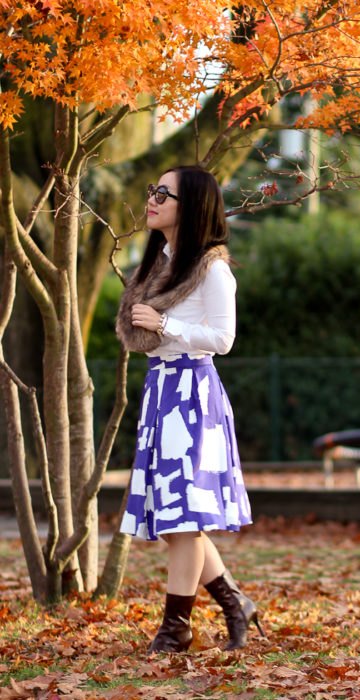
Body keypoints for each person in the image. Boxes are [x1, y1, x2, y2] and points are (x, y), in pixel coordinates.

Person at [115, 165, 263, 654]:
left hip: (193, 395)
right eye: (152, 190)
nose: (152, 199)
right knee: (180, 515)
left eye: (164, 193)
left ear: (192, 206)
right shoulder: (162, 263)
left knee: (182, 520)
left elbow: (223, 339)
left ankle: (175, 629)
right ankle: (234, 602)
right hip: (162, 391)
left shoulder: (212, 268)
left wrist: (167, 326)